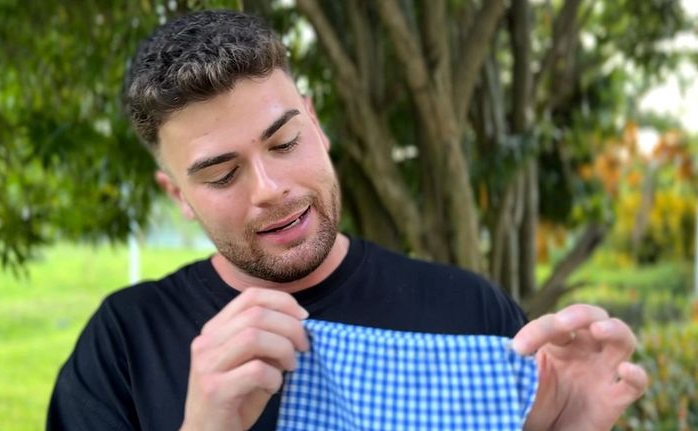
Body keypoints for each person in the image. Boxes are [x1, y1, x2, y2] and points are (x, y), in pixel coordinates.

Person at [47, 9, 647, 431]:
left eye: (285, 143)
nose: (270, 190)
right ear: (178, 195)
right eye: (223, 175)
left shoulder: (471, 313)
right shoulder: (123, 345)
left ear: (316, 124)